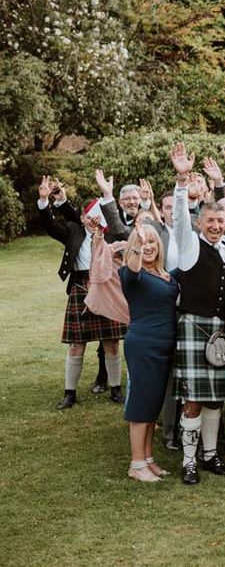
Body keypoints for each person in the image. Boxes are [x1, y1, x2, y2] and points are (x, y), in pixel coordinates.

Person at [170, 143, 225, 485]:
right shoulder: (190, 244)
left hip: (222, 329)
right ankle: (189, 460)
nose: (216, 225)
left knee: (216, 399)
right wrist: (182, 181)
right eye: (211, 220)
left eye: (221, 221)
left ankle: (210, 456)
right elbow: (180, 218)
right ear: (200, 222)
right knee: (194, 398)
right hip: (194, 327)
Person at [37, 176, 125, 409]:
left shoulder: (111, 235)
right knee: (76, 344)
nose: (92, 219)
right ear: (82, 217)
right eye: (88, 216)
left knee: (112, 342)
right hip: (80, 285)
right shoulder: (73, 231)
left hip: (105, 286)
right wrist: (44, 201)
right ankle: (70, 393)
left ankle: (116, 389)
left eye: (97, 215)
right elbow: (50, 226)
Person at [120, 224, 179, 482]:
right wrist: (137, 243)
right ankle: (136, 463)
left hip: (165, 345)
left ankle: (148, 459)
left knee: (153, 404)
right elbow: (132, 268)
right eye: (144, 243)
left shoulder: (166, 274)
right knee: (141, 403)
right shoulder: (132, 275)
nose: (149, 246)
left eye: (153, 242)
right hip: (144, 344)